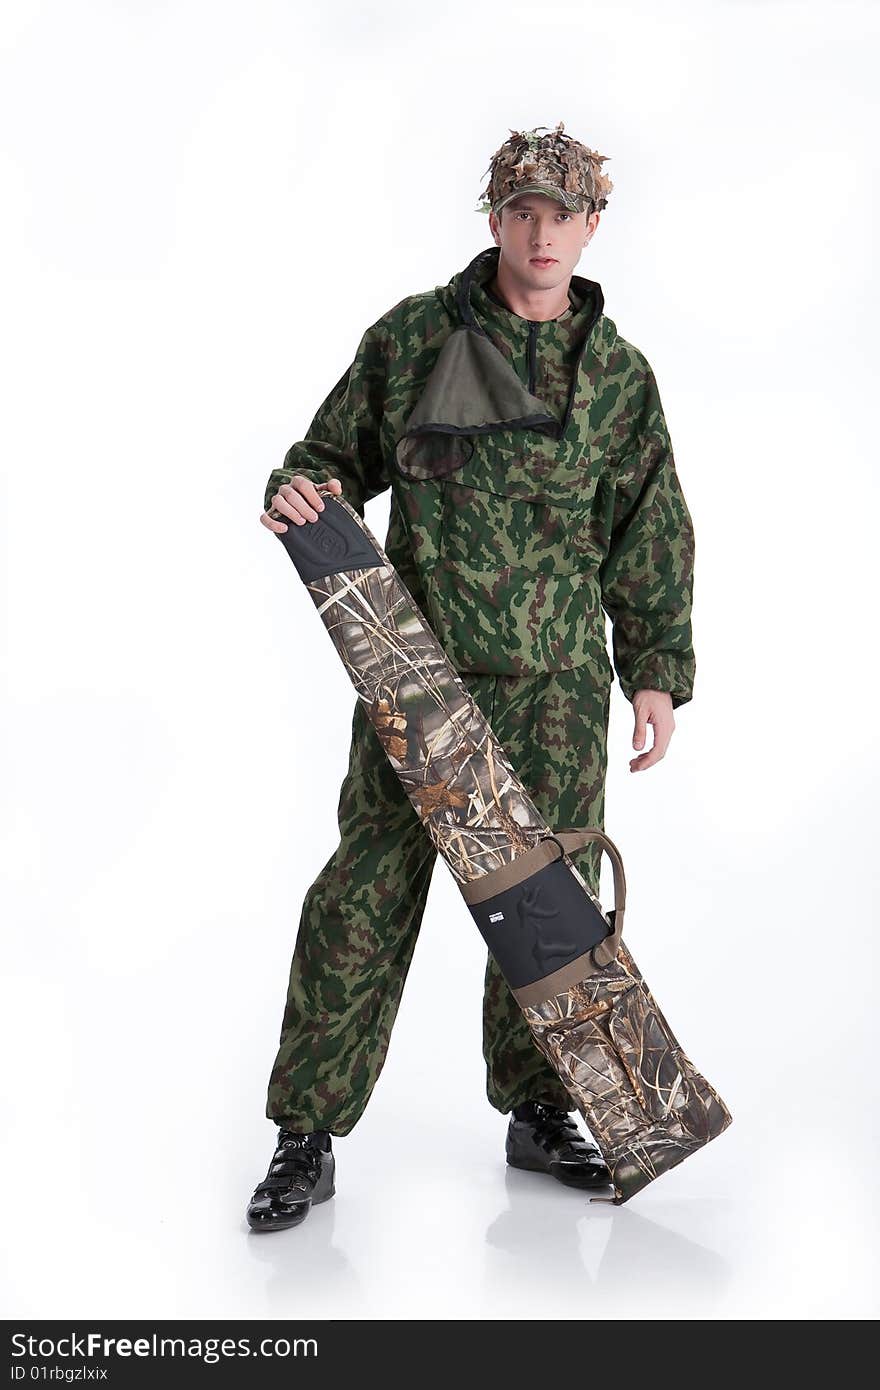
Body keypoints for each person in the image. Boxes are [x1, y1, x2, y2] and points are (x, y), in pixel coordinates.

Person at [246, 122, 696, 1232]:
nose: (542, 234)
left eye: (564, 215)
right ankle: (306, 1129)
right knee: (363, 899)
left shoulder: (619, 379)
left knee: (549, 916)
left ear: (595, 226)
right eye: (523, 212)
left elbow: (648, 528)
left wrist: (652, 670)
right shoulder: (413, 341)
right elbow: (323, 457)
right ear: (493, 217)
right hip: (419, 680)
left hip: (553, 686)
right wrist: (300, 493)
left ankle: (541, 1111)